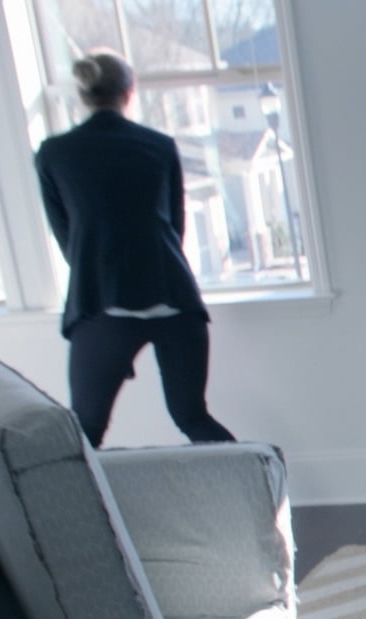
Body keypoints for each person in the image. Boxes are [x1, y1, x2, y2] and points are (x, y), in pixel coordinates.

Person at [35, 51, 234, 448]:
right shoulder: (160, 146)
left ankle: (70, 510)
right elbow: (174, 226)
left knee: (85, 432)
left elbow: (68, 239)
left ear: (83, 95)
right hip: (173, 297)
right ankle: (263, 496)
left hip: (104, 302)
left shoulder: (54, 153)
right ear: (130, 91)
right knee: (192, 416)